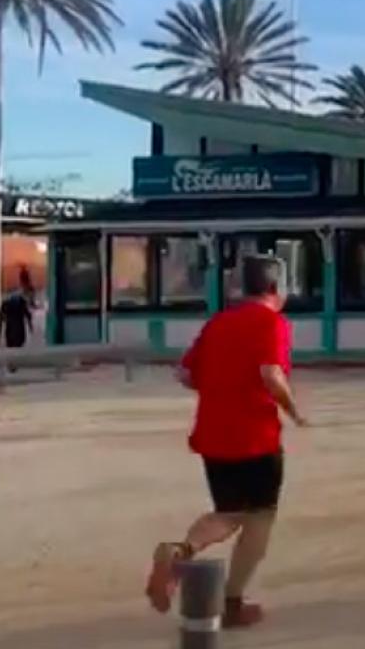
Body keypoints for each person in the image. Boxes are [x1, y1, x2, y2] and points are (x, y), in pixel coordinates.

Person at [144, 255, 305, 630]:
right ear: (275, 289)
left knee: (230, 512)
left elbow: (184, 373)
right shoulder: (271, 322)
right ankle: (232, 602)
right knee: (260, 518)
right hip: (256, 438)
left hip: (213, 437)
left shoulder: (218, 322)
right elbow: (270, 374)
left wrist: (220, 384)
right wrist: (294, 411)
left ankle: (179, 551)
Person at [0, 266, 38, 352]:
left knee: (11, 347)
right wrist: (31, 327)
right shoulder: (21, 302)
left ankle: (12, 363)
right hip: (19, 330)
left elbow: (0, 319)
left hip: (10, 330)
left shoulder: (6, 304)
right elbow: (28, 315)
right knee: (18, 346)